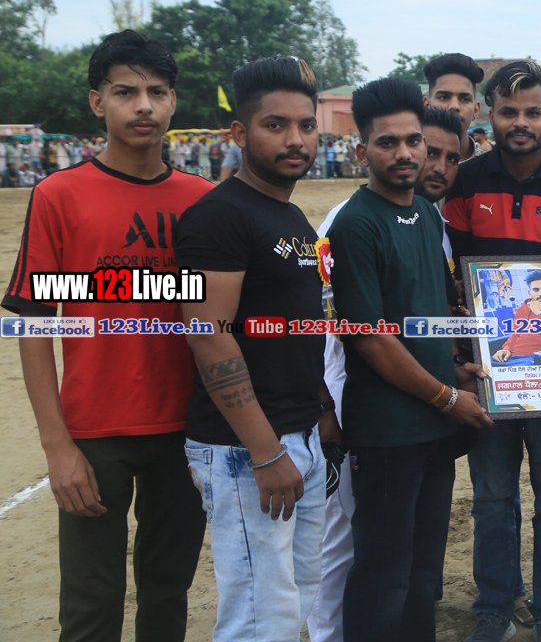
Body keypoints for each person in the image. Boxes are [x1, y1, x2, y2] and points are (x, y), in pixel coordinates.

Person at [2, 29, 212, 642]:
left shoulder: (204, 201)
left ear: (173, 101)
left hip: (187, 430)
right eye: (125, 92)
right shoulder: (58, 195)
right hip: (93, 433)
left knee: (167, 596)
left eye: (157, 92)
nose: (143, 106)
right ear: (98, 101)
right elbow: (33, 324)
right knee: (90, 608)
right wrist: (57, 447)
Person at [176, 55, 342, 642]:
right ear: (240, 133)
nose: (295, 139)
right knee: (257, 615)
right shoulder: (219, 216)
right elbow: (208, 332)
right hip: (245, 448)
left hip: (298, 435)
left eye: (306, 125)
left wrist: (320, 412)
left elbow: (299, 325)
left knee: (297, 597)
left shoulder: (291, 214)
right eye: (276, 125)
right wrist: (265, 452)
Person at [321, 79, 492, 641]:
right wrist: (445, 395)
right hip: (388, 432)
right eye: (387, 142)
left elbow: (424, 316)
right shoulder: (355, 224)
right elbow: (369, 338)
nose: (405, 154)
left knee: (422, 574)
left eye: (413, 140)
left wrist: (454, 369)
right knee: (383, 574)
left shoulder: (425, 214)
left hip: (434, 427)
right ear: (361, 150)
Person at [444, 60, 541, 642]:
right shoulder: (465, 183)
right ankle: (494, 605)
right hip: (488, 369)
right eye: (508, 112)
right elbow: (453, 276)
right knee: (491, 496)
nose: (520, 123)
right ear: (489, 113)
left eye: (532, 112)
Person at [424, 52, 487, 162]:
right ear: (426, 106)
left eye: (465, 99)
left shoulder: (491, 167)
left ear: (476, 110)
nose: (454, 106)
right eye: (444, 97)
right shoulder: (410, 165)